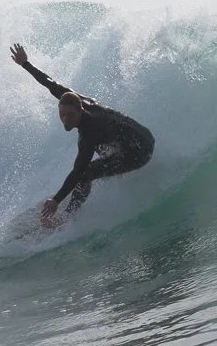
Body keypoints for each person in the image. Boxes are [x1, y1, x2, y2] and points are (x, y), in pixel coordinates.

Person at [10, 43, 155, 228]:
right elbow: (50, 83)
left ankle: (68, 217)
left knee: (87, 173)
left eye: (70, 115)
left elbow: (78, 171)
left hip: (141, 150)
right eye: (62, 114)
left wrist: (56, 200)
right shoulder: (75, 99)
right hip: (141, 135)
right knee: (104, 150)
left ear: (80, 111)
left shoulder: (89, 133)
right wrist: (25, 64)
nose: (65, 119)